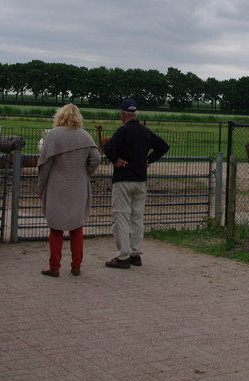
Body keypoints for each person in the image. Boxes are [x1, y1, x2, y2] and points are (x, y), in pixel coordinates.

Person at [37, 104, 102, 276]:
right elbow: (96, 159)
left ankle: (54, 266)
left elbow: (45, 165)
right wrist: (84, 173)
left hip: (56, 186)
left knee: (56, 228)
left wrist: (40, 187)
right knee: (76, 227)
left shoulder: (53, 135)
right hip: (78, 186)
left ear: (60, 116)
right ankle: (76, 265)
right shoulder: (85, 136)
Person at [103, 99, 169, 269]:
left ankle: (122, 256)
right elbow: (163, 146)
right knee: (137, 218)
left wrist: (115, 159)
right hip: (140, 180)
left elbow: (108, 147)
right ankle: (135, 254)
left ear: (122, 113)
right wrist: (148, 160)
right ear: (135, 113)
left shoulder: (123, 131)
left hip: (123, 179)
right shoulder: (145, 131)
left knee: (121, 216)